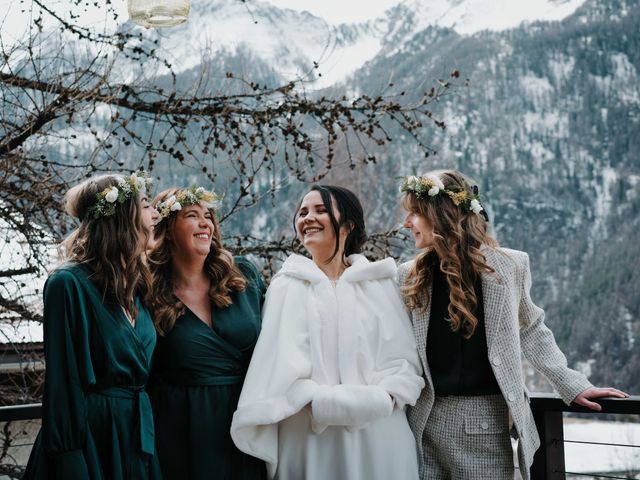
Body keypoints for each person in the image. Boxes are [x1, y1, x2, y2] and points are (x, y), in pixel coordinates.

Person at [398, 170, 628, 480]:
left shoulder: (508, 266)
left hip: (483, 422)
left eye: (415, 213)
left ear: (441, 215)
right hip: (421, 420)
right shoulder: (408, 275)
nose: (406, 223)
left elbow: (532, 328)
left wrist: (572, 385)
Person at [231, 185, 425, 480]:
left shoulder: (380, 283)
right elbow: (275, 366)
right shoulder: (286, 286)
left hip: (380, 438)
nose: (308, 218)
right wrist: (317, 402)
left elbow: (403, 362)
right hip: (309, 439)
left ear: (348, 225)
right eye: (303, 212)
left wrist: (383, 398)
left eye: (321, 210)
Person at [23, 171, 162, 480]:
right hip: (91, 441)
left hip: (134, 436)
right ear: (122, 216)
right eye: (146, 204)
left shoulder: (136, 287)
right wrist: (71, 459)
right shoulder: (67, 284)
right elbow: (64, 384)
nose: (156, 214)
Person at [148, 186, 266, 480]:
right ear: (168, 228)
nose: (206, 223)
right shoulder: (148, 292)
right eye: (192, 215)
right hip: (182, 430)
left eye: (208, 216)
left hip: (247, 422)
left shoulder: (242, 276)